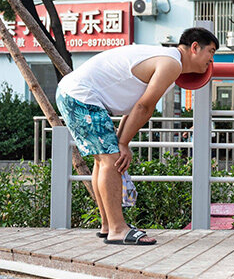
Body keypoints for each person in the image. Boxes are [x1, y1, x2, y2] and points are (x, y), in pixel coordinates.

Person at [56, 27, 218, 246]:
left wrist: (123, 142)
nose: (212, 59)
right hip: (81, 95)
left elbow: (135, 107)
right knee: (110, 161)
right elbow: (144, 106)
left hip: (74, 92)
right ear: (195, 47)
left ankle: (108, 225)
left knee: (103, 160)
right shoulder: (172, 64)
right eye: (211, 51)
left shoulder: (167, 61)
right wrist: (122, 143)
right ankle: (117, 229)